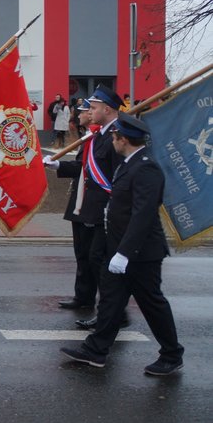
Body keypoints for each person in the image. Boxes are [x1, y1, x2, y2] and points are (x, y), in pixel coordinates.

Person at [60, 113, 184, 376]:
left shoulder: (146, 168)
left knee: (152, 303)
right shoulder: (130, 164)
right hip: (118, 249)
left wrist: (125, 253)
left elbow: (143, 215)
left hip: (141, 254)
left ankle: (172, 354)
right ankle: (95, 350)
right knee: (111, 301)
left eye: (115, 137)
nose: (112, 141)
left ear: (123, 139)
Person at [44, 84, 125, 329]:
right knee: (86, 256)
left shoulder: (116, 137)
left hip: (103, 208)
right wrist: (58, 166)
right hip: (84, 203)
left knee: (98, 260)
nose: (88, 111)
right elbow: (84, 167)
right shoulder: (97, 136)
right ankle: (89, 299)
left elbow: (118, 176)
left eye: (93, 107)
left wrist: (114, 209)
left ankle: (113, 311)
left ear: (107, 109)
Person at [52, 100, 98, 311]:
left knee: (92, 256)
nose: (78, 115)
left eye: (83, 111)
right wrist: (58, 165)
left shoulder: (98, 138)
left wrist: (59, 165)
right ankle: (83, 297)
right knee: (81, 254)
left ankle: (109, 305)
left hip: (90, 204)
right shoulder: (88, 137)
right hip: (79, 202)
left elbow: (86, 169)